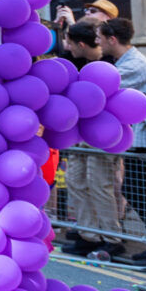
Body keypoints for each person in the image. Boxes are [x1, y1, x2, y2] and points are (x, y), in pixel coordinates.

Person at [93, 18, 146, 265]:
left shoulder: (134, 66)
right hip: (142, 139)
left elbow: (104, 92)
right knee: (140, 191)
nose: (96, 41)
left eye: (99, 37)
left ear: (112, 39)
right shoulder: (125, 61)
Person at [56, 21, 119, 257]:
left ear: (81, 44)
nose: (67, 48)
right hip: (77, 131)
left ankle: (113, 238)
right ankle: (88, 235)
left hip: (101, 132)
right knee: (75, 182)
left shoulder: (108, 64)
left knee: (100, 185)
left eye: (70, 44)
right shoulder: (74, 61)